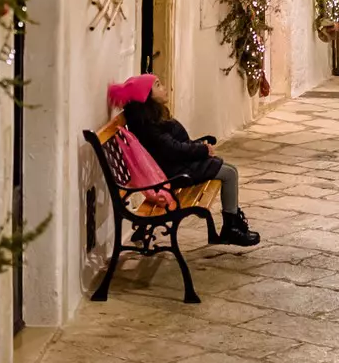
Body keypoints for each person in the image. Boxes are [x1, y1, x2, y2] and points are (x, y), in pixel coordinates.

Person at [110, 74, 260, 246]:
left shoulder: (150, 117)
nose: (164, 87)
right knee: (229, 173)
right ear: (146, 96)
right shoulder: (148, 124)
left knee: (228, 169)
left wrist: (199, 146)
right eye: (158, 85)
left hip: (173, 167)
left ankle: (232, 224)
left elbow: (173, 146)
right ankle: (231, 228)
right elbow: (172, 150)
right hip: (173, 173)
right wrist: (202, 149)